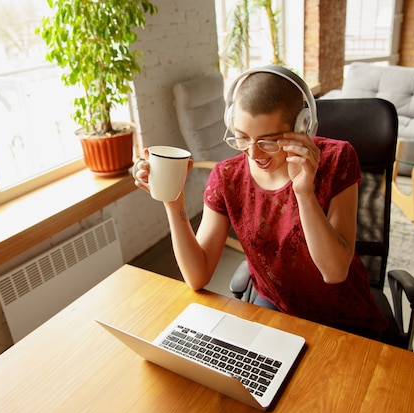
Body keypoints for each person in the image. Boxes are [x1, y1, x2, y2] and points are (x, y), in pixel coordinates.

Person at [134, 66, 388, 338]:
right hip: (278, 309)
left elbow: (335, 272)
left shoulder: (337, 159)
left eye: (268, 141)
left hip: (344, 317)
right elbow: (198, 276)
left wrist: (304, 192)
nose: (253, 153)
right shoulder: (228, 177)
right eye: (242, 137)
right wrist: (174, 204)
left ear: (301, 127)